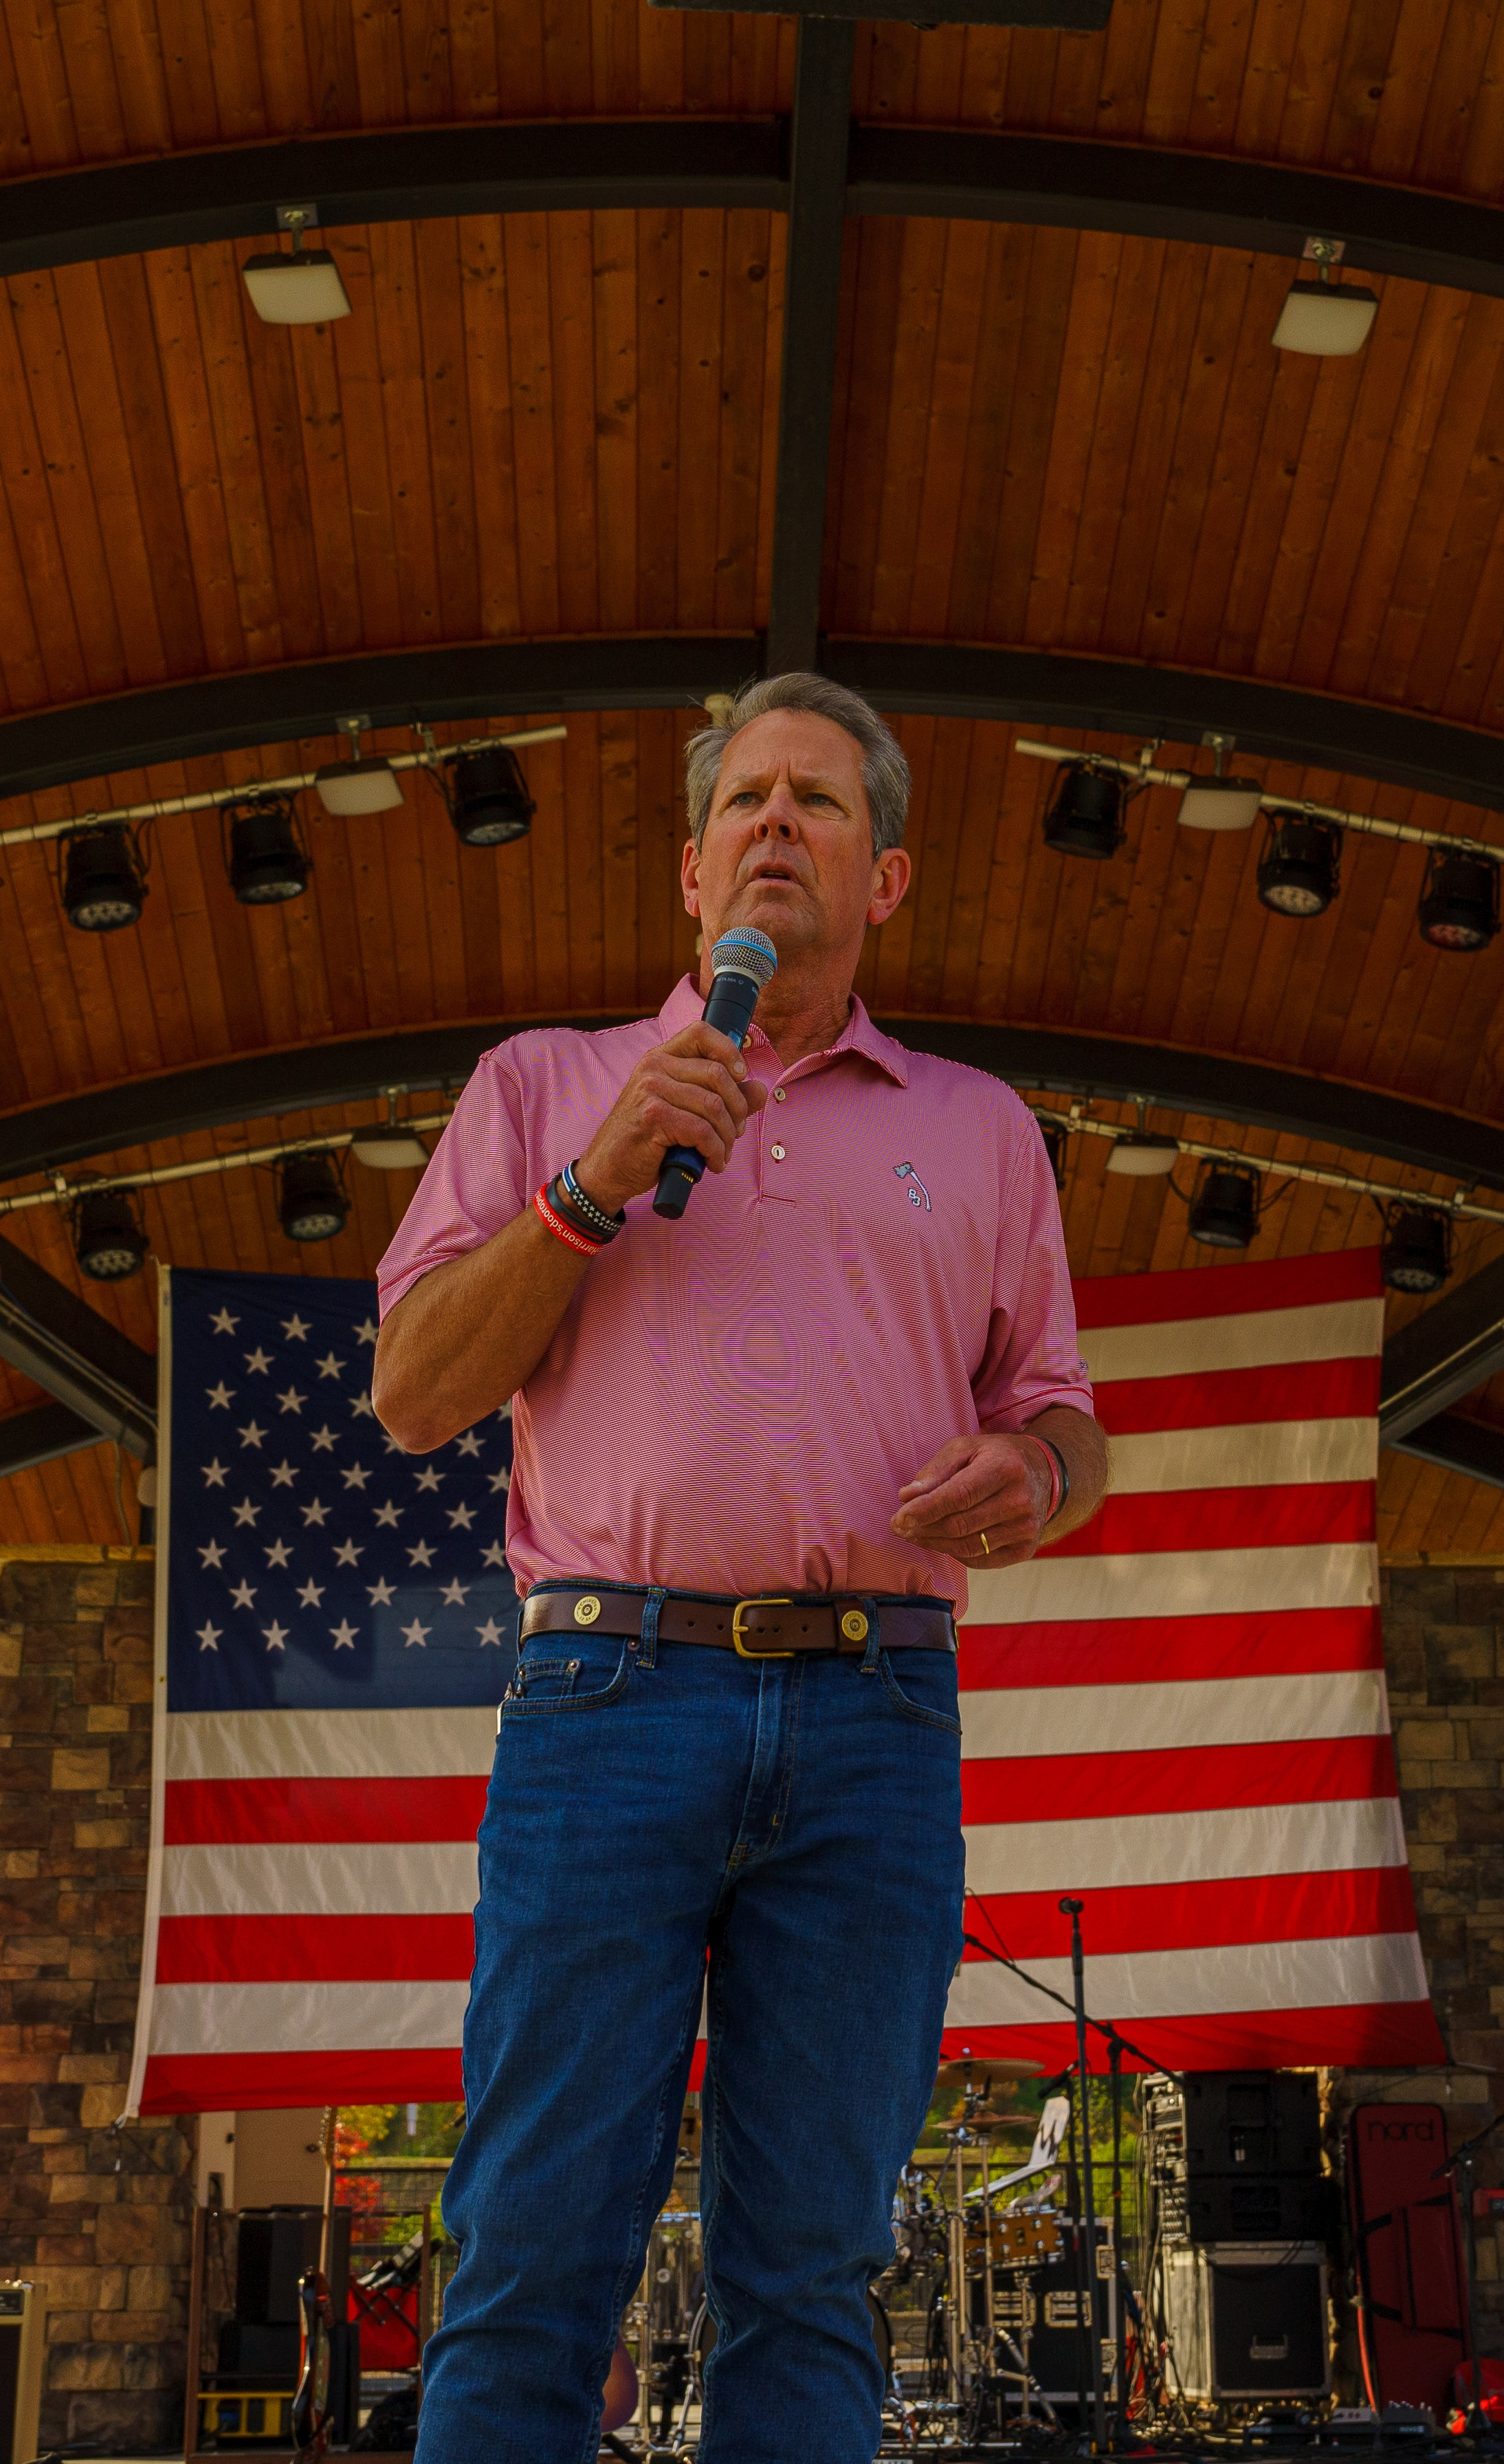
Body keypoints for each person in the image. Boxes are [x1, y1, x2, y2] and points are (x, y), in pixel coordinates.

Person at [373, 672, 1107, 2463]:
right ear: (691, 878)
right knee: (533, 2254)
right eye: (747, 802)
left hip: (876, 1711)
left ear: (888, 881)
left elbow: (1067, 1423)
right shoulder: (544, 1087)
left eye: (822, 803)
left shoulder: (984, 1129)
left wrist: (1031, 1471)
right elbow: (414, 1393)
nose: (779, 823)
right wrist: (591, 1181)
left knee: (814, 2269)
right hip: (607, 1702)